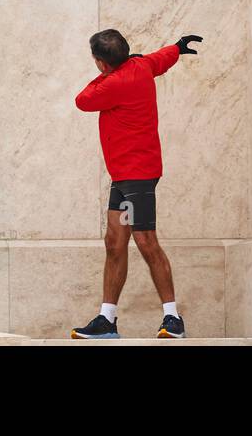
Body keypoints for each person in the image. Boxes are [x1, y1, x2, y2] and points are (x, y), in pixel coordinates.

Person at [71, 27, 202, 339]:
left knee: (145, 241)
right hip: (124, 176)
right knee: (115, 242)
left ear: (102, 63)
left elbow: (82, 100)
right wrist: (178, 47)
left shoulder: (111, 83)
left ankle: (173, 319)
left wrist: (105, 74)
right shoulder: (141, 66)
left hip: (138, 174)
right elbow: (160, 59)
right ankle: (107, 320)